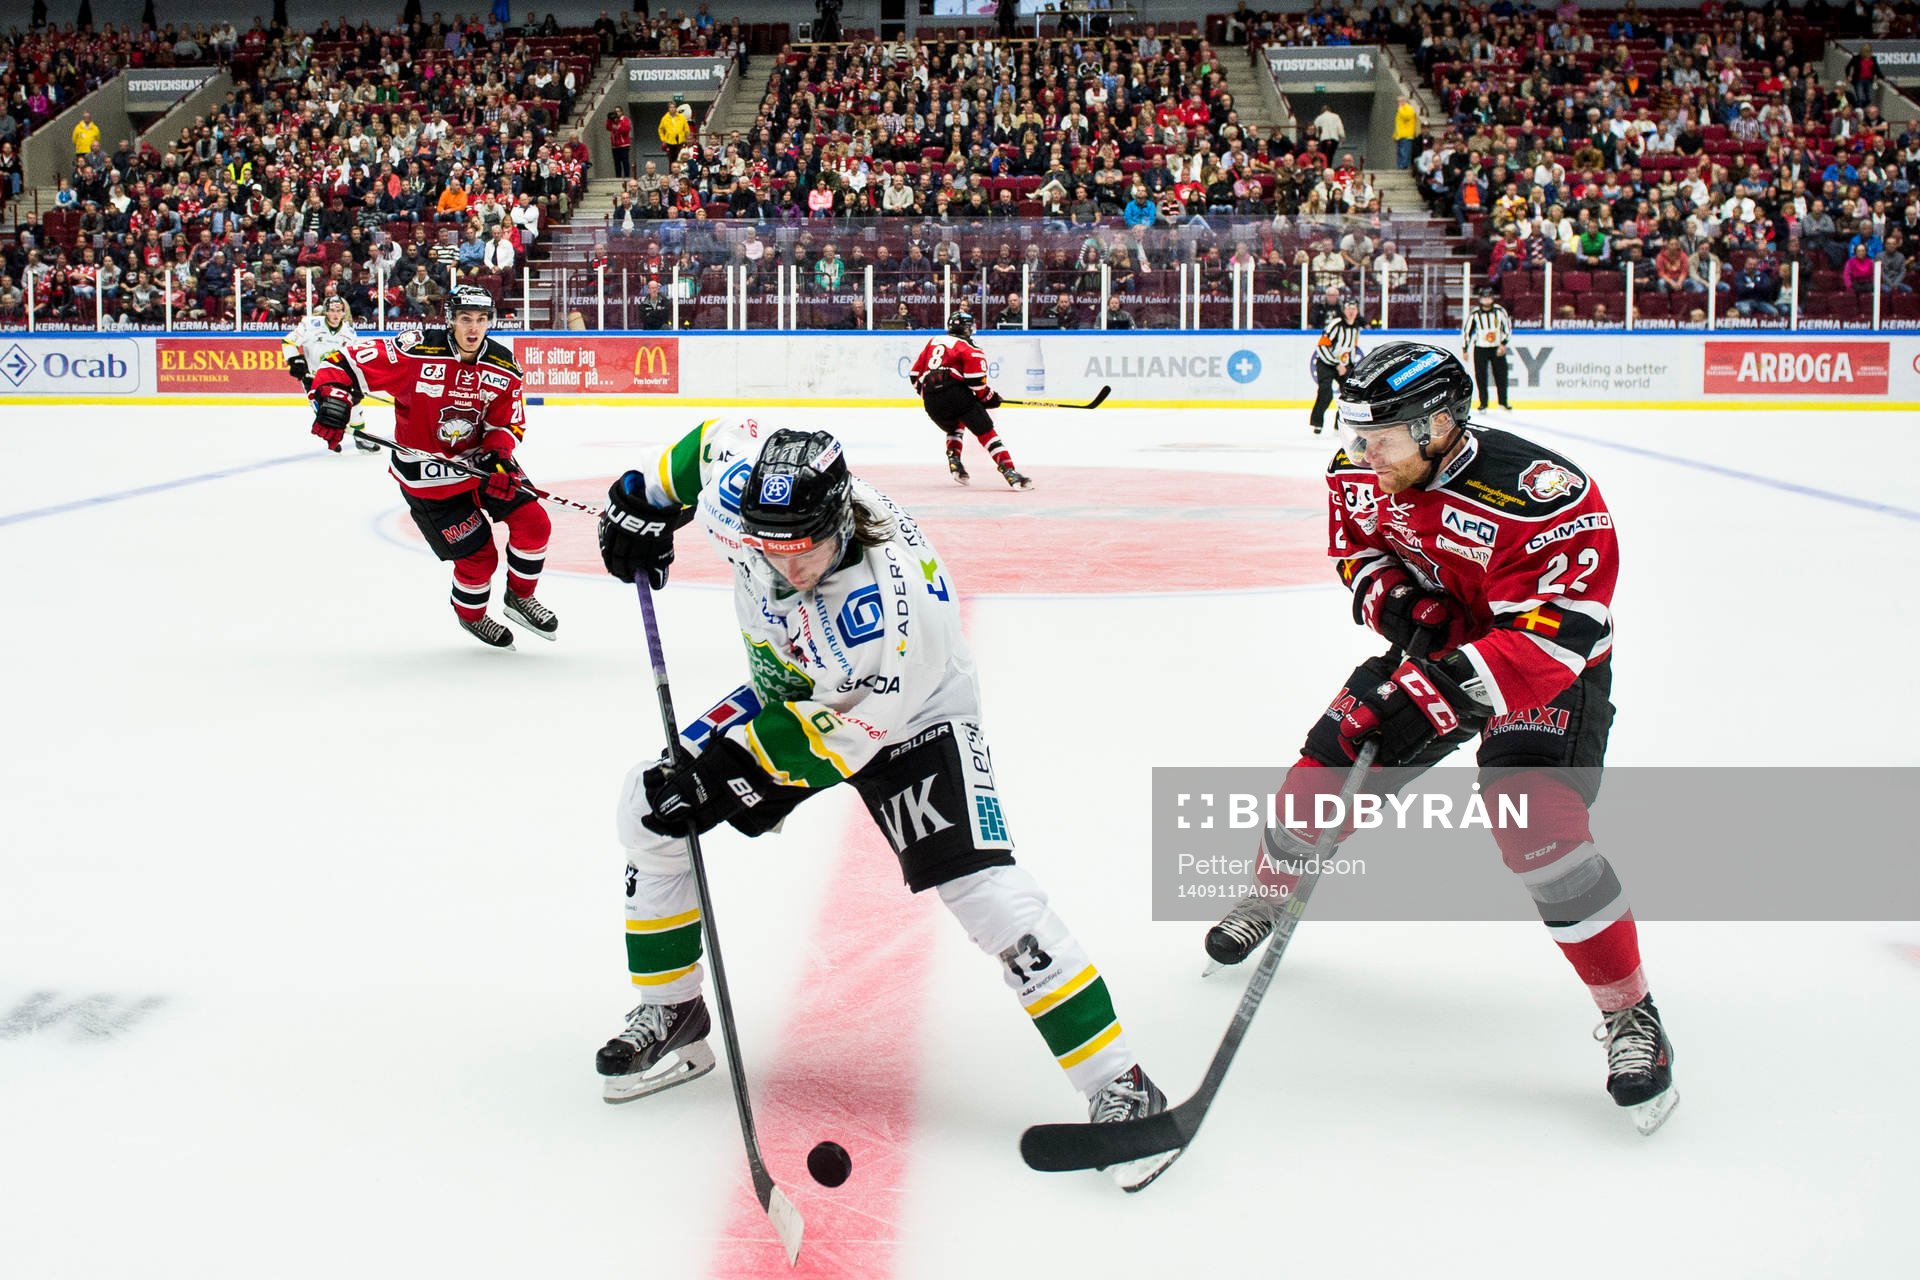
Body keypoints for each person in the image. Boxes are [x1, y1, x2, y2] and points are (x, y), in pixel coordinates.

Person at [592, 424, 1175, 1191]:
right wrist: (642, 501)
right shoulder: (750, 506)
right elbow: (707, 444)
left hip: (909, 715)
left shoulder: (890, 612)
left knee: (985, 894)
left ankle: (1122, 1086)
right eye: (768, 546)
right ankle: (674, 1013)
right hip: (798, 692)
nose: (787, 562)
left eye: (804, 546)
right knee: (649, 810)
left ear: (840, 522)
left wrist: (721, 777)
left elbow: (843, 734)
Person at [1204, 342, 1677, 1135]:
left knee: (1539, 831)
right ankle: (1271, 890)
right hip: (1442, 647)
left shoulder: (1545, 496)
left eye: (1379, 437)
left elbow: (1567, 631)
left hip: (1548, 665)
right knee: (1321, 772)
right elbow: (1356, 551)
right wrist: (1395, 605)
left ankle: (1632, 1016)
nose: (1362, 453)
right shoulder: (1362, 468)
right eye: (1356, 435)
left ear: (1440, 425)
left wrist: (1437, 689)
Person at [308, 285, 556, 650]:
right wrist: (333, 400)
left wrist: (500, 456)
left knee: (535, 524)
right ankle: (471, 615)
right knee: (479, 558)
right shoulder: (415, 349)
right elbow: (343, 363)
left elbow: (505, 424)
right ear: (451, 320)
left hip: (481, 465)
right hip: (429, 479)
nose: (474, 329)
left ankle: (519, 596)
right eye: (466, 319)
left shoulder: (503, 366)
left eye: (482, 320)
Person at [907, 310, 1032, 490]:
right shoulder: (970, 349)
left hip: (931, 400)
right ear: (966, 328)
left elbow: (913, 375)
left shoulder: (933, 342)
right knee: (986, 432)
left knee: (954, 425)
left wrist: (930, 395)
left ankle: (954, 461)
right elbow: (976, 384)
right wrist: (990, 398)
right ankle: (1010, 471)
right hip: (955, 393)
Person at [283, 296, 377, 452]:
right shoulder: (310, 325)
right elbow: (288, 342)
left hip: (338, 378)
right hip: (314, 379)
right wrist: (296, 362)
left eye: (339, 311)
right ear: (326, 311)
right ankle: (331, 437)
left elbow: (352, 359)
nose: (335, 314)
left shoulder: (349, 333)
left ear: (343, 312)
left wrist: (357, 382)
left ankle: (361, 439)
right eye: (332, 310)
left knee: (354, 406)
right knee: (326, 413)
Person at [1309, 293, 1364, 434]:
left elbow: (1351, 348)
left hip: (1343, 365)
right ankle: (1317, 423)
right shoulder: (1336, 324)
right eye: (1349, 308)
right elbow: (1322, 346)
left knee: (1349, 393)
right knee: (1325, 392)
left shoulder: (1356, 327)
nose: (1351, 312)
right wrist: (1336, 364)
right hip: (1326, 363)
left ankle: (1339, 424)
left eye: (1354, 309)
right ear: (1344, 310)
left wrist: (1349, 366)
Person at [1461, 286, 1514, 410]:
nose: (1486, 300)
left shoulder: (1500, 311)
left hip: (1496, 348)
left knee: (1501, 375)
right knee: (1481, 376)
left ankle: (1503, 401)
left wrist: (1503, 344)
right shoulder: (1475, 313)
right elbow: (1467, 332)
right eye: (1484, 297)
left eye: (1489, 297)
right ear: (1480, 299)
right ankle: (1483, 403)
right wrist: (1465, 349)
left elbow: (1507, 329)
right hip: (1480, 348)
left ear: (1493, 298)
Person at [657, 96, 691, 169]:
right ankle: (671, 174)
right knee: (671, 160)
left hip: (680, 141)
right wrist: (663, 139)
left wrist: (687, 137)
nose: (672, 109)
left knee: (681, 158)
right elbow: (660, 129)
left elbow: (686, 128)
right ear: (668, 109)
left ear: (676, 108)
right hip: (670, 142)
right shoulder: (664, 118)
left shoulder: (681, 117)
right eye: (670, 107)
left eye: (673, 107)